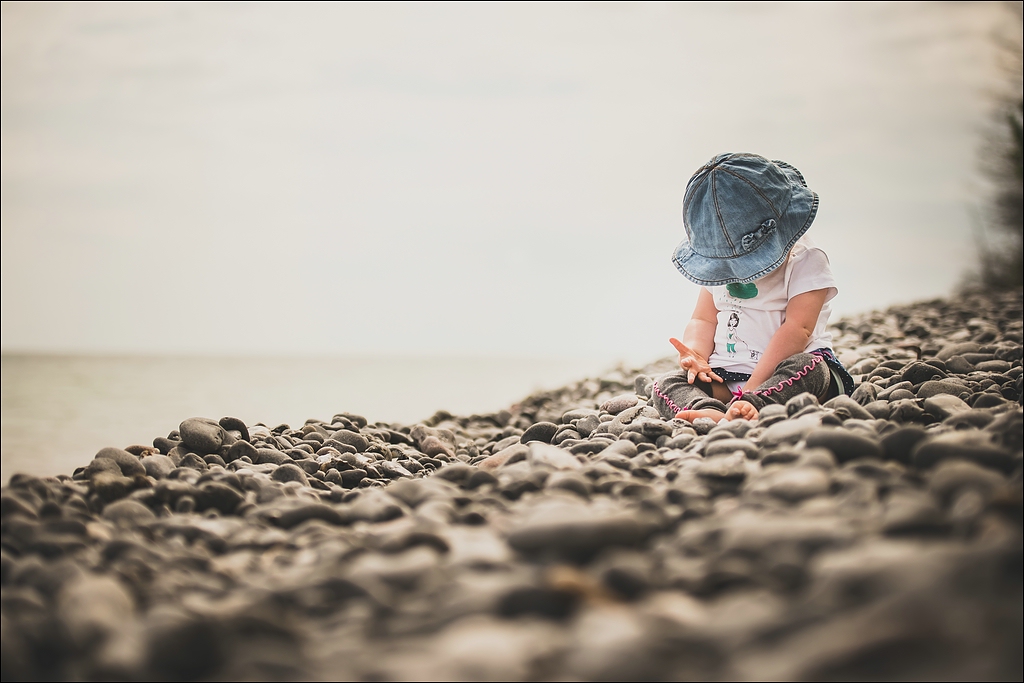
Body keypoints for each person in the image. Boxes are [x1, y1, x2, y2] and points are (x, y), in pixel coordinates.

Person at [651, 153, 854, 423]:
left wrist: (751, 390)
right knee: (666, 384)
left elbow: (798, 329)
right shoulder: (719, 270)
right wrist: (697, 355)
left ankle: (755, 404)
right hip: (727, 377)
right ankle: (709, 409)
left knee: (810, 368)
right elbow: (703, 318)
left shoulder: (806, 259)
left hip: (783, 374)